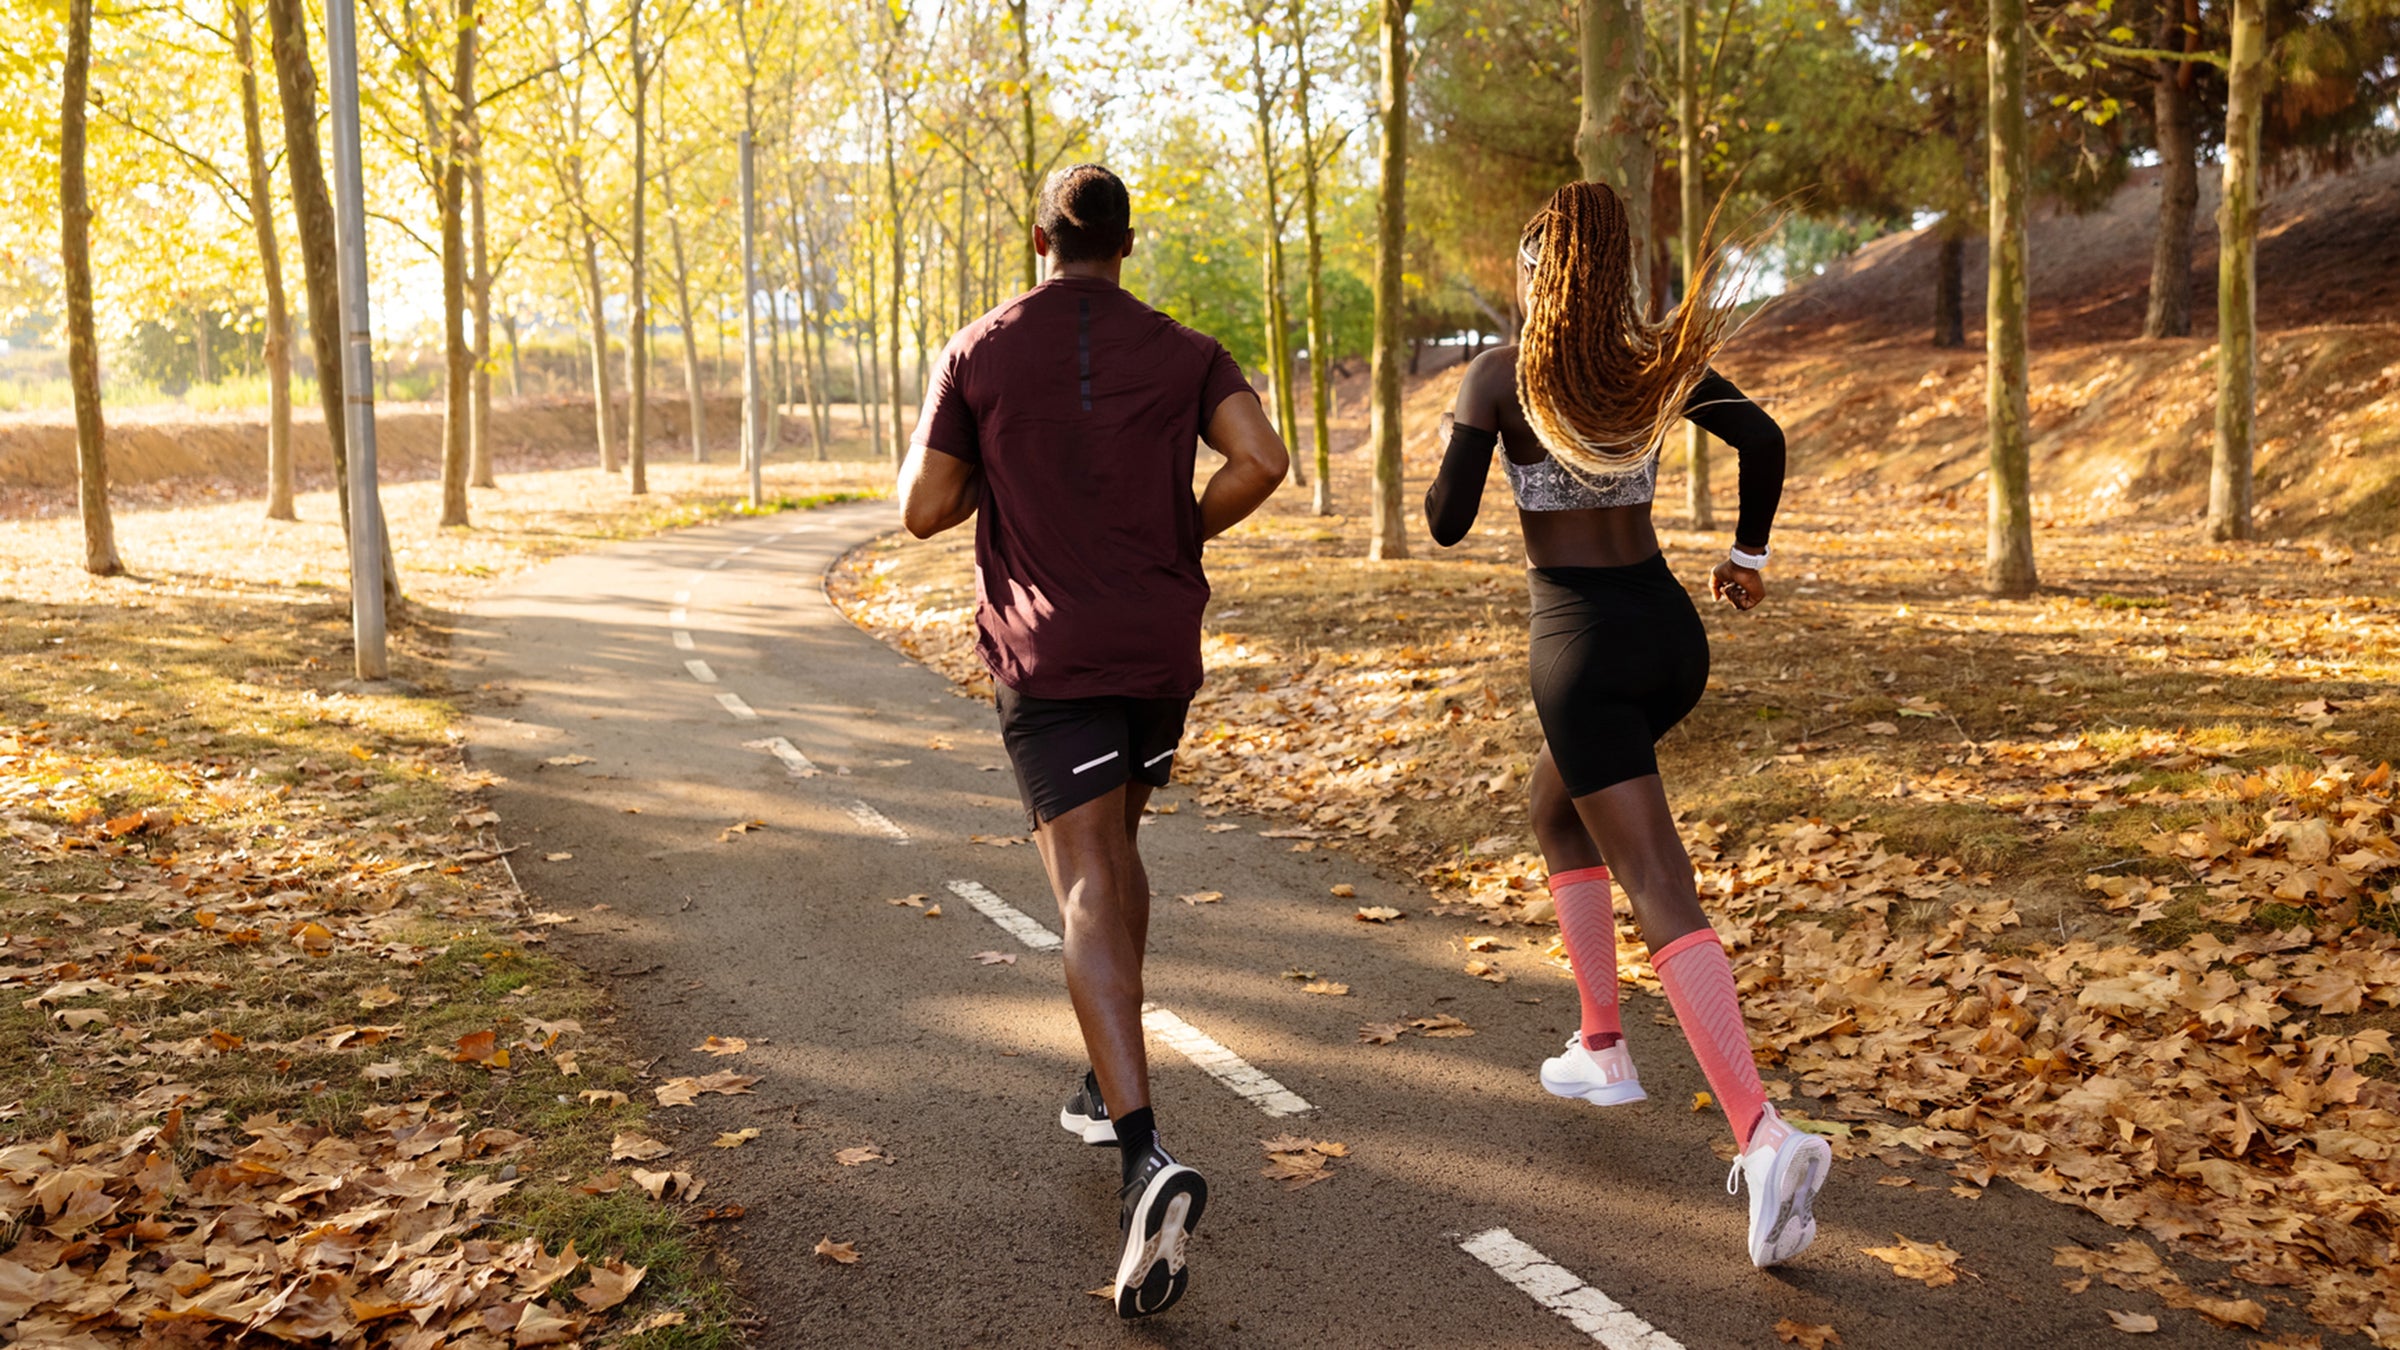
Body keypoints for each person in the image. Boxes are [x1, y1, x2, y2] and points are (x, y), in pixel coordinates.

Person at [898, 163, 1290, 1318]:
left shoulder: (977, 350)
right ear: (1128, 244)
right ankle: (1098, 1075)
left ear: (1040, 240)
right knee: (1118, 851)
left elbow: (922, 507)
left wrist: (1006, 469)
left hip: (1052, 653)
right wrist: (1180, 525)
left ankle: (1142, 1154)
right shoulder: (1189, 350)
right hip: (1158, 642)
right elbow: (1263, 462)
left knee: (1081, 884)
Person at [1421, 179, 1830, 1268]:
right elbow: (1763, 439)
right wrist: (1746, 556)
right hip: (1669, 638)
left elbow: (1447, 522)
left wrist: (1466, 428)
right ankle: (1602, 1046)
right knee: (1555, 809)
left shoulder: (1501, 374)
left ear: (1541, 274)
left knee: (1654, 875)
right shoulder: (1654, 366)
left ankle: (1763, 1135)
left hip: (1582, 653)